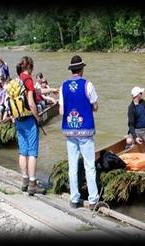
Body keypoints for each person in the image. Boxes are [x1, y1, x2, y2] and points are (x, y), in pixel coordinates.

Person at [60, 55, 99, 210]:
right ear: (82, 69)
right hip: (85, 131)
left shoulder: (63, 85)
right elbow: (95, 106)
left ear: (72, 70)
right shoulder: (87, 85)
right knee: (90, 165)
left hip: (69, 130)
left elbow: (62, 111)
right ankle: (93, 199)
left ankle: (74, 199)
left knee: (72, 166)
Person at [14, 56, 41, 195]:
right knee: (32, 152)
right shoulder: (28, 80)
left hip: (18, 119)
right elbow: (31, 103)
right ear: (29, 66)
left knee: (22, 151)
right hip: (29, 119)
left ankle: (24, 181)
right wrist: (38, 117)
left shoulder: (17, 79)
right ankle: (32, 183)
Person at [126, 86, 145, 152]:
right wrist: (135, 137)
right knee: (129, 140)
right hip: (136, 130)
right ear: (138, 95)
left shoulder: (142, 102)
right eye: (141, 93)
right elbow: (130, 125)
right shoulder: (131, 108)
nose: (142, 94)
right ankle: (129, 152)